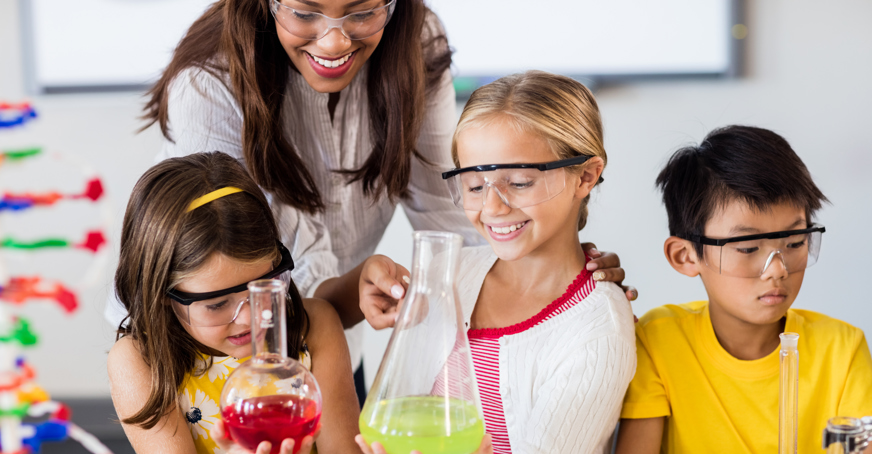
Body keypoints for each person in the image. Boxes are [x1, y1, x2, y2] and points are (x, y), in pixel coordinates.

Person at [106, 0, 637, 403]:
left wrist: (555, 271)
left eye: (362, 11)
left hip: (326, 333)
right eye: (306, 13)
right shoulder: (210, 79)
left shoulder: (417, 41)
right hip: (207, 343)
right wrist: (340, 295)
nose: (335, 41)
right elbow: (233, 253)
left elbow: (451, 203)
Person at [357, 71, 637, 454]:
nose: (491, 207)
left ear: (586, 176)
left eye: (520, 182)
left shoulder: (597, 334)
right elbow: (397, 409)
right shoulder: (446, 274)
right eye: (474, 186)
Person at [615, 126, 872, 453]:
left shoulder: (841, 349)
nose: (778, 269)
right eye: (749, 248)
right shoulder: (659, 342)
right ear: (685, 256)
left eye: (794, 242)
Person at [107, 152, 360, 454]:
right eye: (217, 305)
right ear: (163, 294)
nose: (249, 318)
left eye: (264, 288)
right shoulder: (141, 362)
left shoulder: (314, 326)